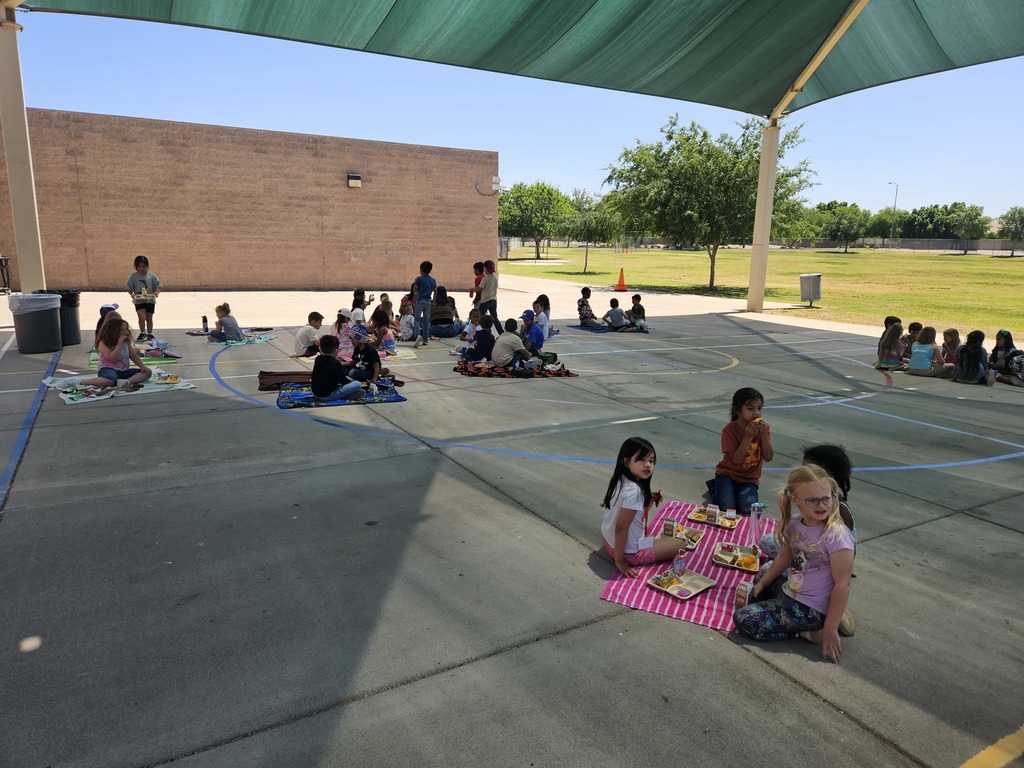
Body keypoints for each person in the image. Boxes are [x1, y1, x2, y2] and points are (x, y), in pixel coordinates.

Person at [732, 464, 856, 663]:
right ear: (795, 500)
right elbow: (784, 557)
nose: (822, 505)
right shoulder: (794, 524)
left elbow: (843, 583)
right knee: (757, 587)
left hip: (811, 608)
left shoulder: (836, 535)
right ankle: (827, 618)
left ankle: (812, 632)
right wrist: (763, 584)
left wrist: (830, 630)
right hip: (792, 590)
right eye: (812, 500)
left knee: (744, 620)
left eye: (827, 497)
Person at [761, 444, 856, 557]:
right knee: (766, 541)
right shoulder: (815, 496)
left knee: (767, 568)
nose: (802, 470)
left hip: (823, 561)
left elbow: (844, 548)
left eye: (806, 467)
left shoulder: (839, 510)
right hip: (808, 549)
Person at [600, 436, 670, 578]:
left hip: (607, 542)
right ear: (626, 462)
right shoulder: (635, 491)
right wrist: (620, 561)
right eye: (641, 460)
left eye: (651, 461)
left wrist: (648, 501)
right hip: (629, 554)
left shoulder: (620, 480)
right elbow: (621, 527)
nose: (648, 465)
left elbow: (631, 516)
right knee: (680, 544)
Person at [710, 387, 774, 515]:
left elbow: (768, 457)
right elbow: (736, 459)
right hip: (728, 474)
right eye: (750, 409)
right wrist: (748, 437)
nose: (756, 413)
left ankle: (732, 491)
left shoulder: (764, 428)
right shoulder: (729, 430)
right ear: (737, 410)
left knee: (748, 508)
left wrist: (763, 436)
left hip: (749, 478)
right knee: (727, 508)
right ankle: (715, 487)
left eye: (759, 408)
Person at [81, 313, 152, 389]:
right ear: (113, 331)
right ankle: (83, 382)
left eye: (126, 329)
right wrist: (119, 344)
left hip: (123, 371)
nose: (126, 332)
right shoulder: (104, 343)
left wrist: (142, 366)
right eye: (122, 330)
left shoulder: (126, 342)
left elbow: (133, 355)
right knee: (110, 381)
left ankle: (126, 382)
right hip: (107, 369)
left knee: (147, 373)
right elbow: (112, 359)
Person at [311, 335, 364, 402]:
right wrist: (351, 381)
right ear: (336, 350)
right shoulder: (336, 363)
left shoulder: (318, 359)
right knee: (357, 384)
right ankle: (344, 395)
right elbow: (343, 381)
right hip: (328, 395)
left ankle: (346, 394)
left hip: (316, 394)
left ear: (321, 348)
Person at [125, 254, 162, 341]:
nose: (142, 268)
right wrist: (132, 295)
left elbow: (158, 286)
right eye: (139, 266)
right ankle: (142, 332)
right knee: (141, 317)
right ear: (136, 266)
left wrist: (156, 293)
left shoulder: (152, 276)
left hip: (149, 300)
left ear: (147, 266)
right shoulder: (133, 276)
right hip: (139, 301)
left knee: (149, 317)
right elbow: (129, 288)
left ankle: (149, 333)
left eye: (144, 266)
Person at [343, 323, 381, 390]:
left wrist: (374, 381)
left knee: (352, 372)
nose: (351, 341)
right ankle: (347, 378)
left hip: (370, 372)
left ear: (360, 338)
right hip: (362, 369)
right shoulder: (357, 348)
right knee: (343, 369)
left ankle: (348, 380)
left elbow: (376, 367)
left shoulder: (370, 351)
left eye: (353, 339)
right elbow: (353, 363)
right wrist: (341, 364)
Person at [412, 260, 436, 347]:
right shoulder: (433, 280)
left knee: (417, 320)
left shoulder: (419, 279)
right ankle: (425, 339)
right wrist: (433, 300)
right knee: (426, 321)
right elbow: (435, 291)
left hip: (420, 301)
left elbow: (415, 289)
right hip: (428, 301)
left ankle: (418, 335)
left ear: (421, 270)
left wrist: (416, 294)